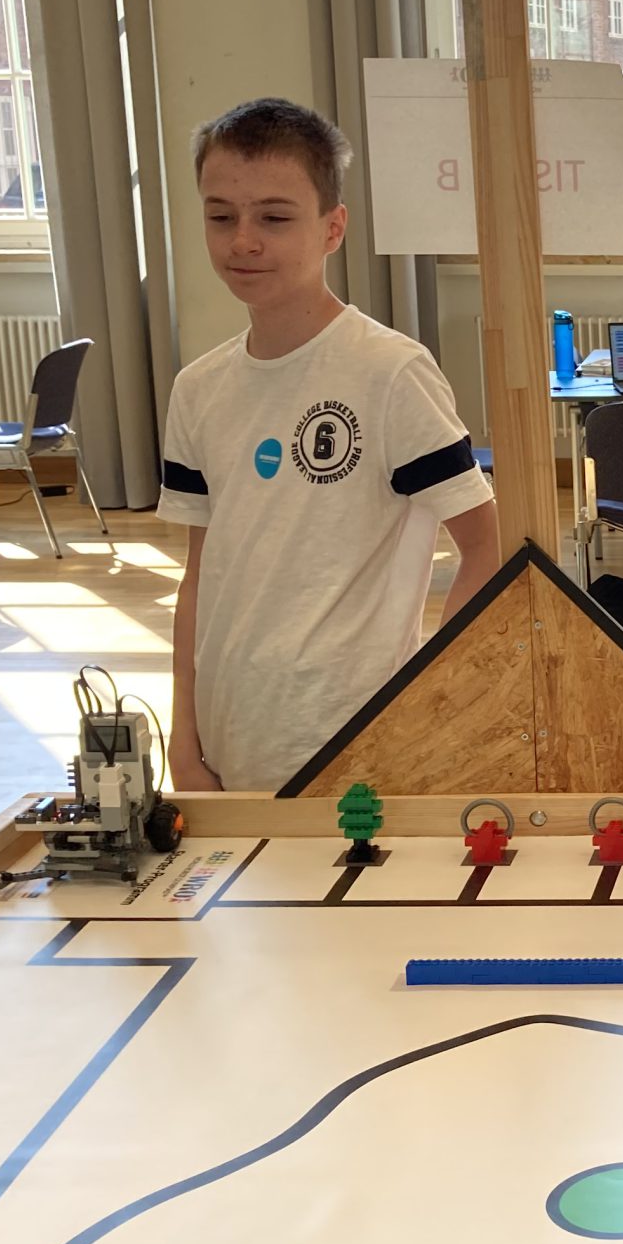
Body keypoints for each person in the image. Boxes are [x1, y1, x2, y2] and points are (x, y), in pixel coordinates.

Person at [158, 99, 502, 792]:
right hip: (230, 739)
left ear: (332, 228)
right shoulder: (198, 388)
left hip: (358, 749)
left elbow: (485, 548)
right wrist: (183, 737)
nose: (243, 241)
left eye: (274, 218)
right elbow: (200, 577)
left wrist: (427, 710)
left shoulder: (390, 372)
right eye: (221, 217)